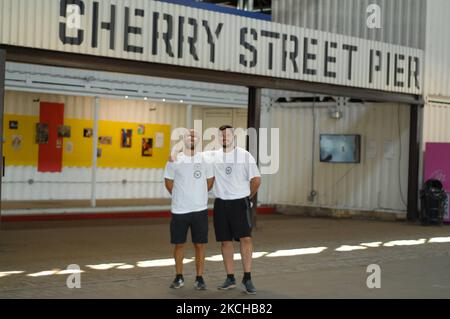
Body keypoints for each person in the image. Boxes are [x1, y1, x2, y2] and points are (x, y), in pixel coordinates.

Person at [208, 125, 261, 295]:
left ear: (233, 137)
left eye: (228, 134)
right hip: (221, 204)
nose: (225, 137)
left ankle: (247, 277)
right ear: (219, 137)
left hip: (239, 203)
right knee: (225, 241)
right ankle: (230, 277)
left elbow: (256, 180)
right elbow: (192, 158)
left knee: (245, 238)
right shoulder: (213, 156)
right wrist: (175, 156)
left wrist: (247, 197)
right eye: (222, 135)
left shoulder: (245, 156)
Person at [164, 129, 214, 290]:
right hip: (180, 211)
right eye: (188, 136)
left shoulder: (205, 160)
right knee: (179, 244)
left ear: (198, 140)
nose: (191, 138)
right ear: (183, 139)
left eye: (194, 136)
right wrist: (180, 196)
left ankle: (199, 278)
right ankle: (179, 277)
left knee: (200, 245)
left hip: (199, 210)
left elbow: (210, 181)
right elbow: (168, 182)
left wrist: (197, 196)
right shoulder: (174, 159)